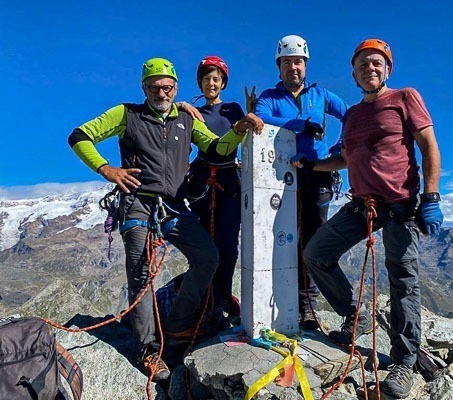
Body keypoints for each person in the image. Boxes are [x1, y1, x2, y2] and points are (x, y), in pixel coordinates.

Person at [68, 57, 263, 381]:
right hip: (137, 205)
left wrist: (238, 131)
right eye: (155, 86)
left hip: (173, 206)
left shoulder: (186, 120)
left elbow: (216, 150)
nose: (162, 91)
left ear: (175, 88)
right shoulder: (126, 114)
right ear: (144, 88)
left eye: (168, 86)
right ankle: (148, 350)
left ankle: (176, 327)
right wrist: (107, 170)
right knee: (141, 274)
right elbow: (79, 135)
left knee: (208, 257)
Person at [293, 39, 443, 398]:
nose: (370, 68)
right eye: (362, 65)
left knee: (403, 281)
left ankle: (404, 362)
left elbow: (429, 146)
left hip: (400, 206)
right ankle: (356, 314)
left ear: (387, 69)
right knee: (316, 253)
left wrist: (432, 196)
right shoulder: (355, 116)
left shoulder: (405, 98)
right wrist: (313, 166)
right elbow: (346, 159)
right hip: (361, 204)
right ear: (354, 74)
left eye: (376, 63)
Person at [254, 34, 348, 330]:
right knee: (278, 239)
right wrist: (298, 124)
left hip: (317, 175)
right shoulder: (269, 97)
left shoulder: (321, 96)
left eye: (298, 62)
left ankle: (307, 305)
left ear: (305, 65)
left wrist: (339, 150)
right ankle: (277, 298)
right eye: (286, 63)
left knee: (312, 240)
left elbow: (350, 116)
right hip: (278, 177)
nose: (293, 67)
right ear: (279, 67)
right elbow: (260, 118)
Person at [187, 56, 244, 328]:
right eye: (207, 78)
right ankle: (204, 297)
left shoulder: (234, 109)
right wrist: (181, 105)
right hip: (201, 181)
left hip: (229, 180)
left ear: (223, 83)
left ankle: (221, 298)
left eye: (216, 78)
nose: (212, 82)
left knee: (228, 244)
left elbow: (250, 138)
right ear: (201, 82)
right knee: (203, 243)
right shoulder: (192, 113)